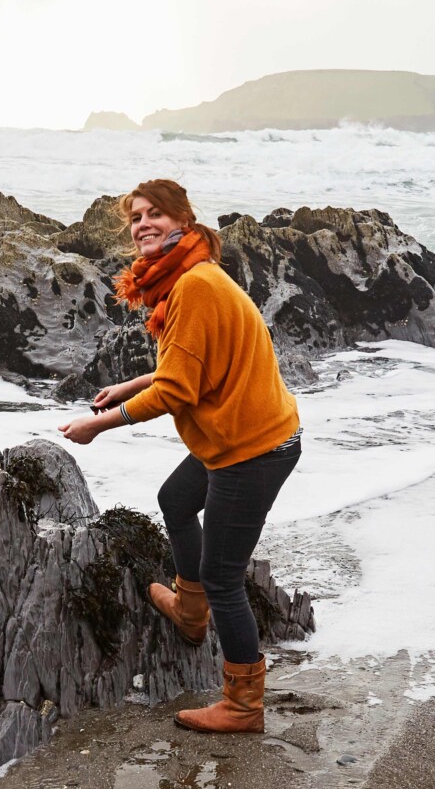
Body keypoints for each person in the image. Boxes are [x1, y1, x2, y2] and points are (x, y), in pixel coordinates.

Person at [59, 179, 301, 734]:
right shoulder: (190, 277)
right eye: (136, 217)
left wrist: (100, 425)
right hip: (238, 436)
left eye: (155, 215)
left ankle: (242, 704)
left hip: (253, 449)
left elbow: (176, 393)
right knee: (174, 497)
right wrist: (126, 386)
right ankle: (191, 615)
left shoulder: (193, 285)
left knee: (223, 577)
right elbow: (186, 367)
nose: (143, 225)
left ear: (182, 220)